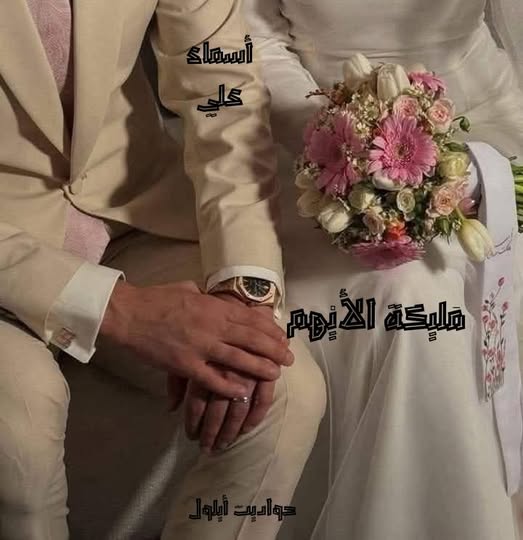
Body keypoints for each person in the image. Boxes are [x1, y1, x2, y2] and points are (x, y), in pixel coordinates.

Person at [0, 1, 327, 539]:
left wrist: (243, 290)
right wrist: (118, 309)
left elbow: (224, 94)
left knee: (281, 388)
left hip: (130, 213)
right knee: (21, 437)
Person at [243, 0, 523, 538]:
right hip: (321, 145)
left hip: (487, 123)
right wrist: (340, 140)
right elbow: (256, 41)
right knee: (413, 298)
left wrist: (466, 166)